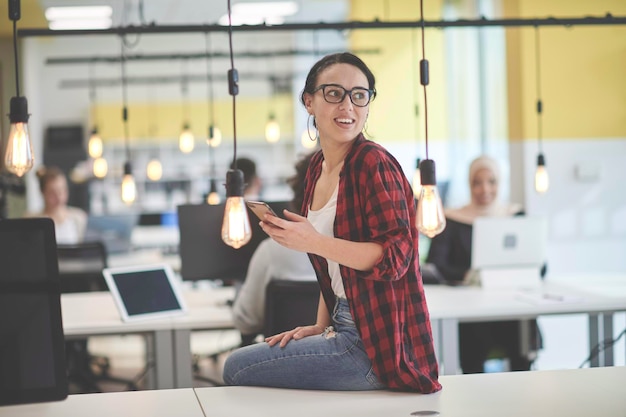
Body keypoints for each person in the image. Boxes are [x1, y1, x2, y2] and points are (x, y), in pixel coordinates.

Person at [223, 52, 441, 393]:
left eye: (359, 95)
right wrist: (320, 325)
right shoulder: (316, 168)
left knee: (236, 367)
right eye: (334, 93)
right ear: (309, 102)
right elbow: (334, 263)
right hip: (344, 325)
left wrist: (312, 242)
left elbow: (396, 257)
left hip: (374, 347)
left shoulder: (374, 163)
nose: (348, 106)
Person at [425, 155, 540, 373]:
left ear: (500, 183)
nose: (484, 189)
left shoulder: (515, 216)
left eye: (492, 181)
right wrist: (470, 275)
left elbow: (539, 264)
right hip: (469, 314)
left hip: (511, 308)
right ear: (469, 184)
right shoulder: (452, 218)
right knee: (473, 361)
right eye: (477, 182)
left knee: (522, 352)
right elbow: (435, 264)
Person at [232, 152, 317, 346]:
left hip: (283, 358)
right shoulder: (353, 252)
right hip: (341, 366)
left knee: (232, 366)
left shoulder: (272, 250)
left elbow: (246, 321)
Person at [25, 166, 87, 244]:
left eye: (61, 191)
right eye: (52, 193)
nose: (58, 197)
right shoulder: (32, 220)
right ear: (43, 192)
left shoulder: (79, 217)